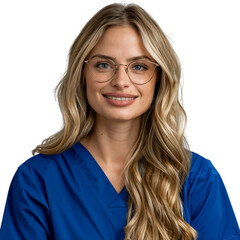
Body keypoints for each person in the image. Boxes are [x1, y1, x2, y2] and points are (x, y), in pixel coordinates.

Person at [0, 3, 239, 240]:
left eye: (139, 66)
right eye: (104, 65)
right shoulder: (37, 180)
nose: (121, 81)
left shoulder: (196, 178)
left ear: (159, 79)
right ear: (82, 75)